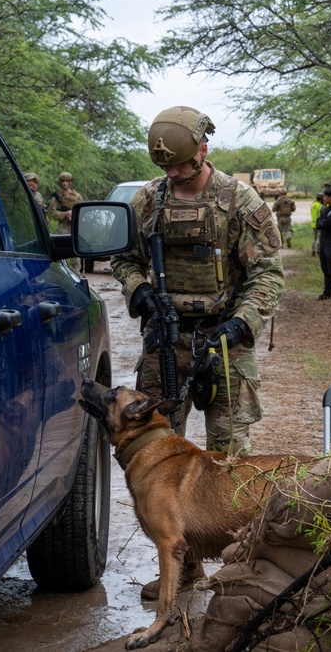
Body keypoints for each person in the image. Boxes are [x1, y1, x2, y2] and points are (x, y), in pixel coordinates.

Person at [110, 105, 283, 457]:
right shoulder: (146, 200)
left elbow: (267, 272)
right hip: (164, 340)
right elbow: (125, 259)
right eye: (164, 167)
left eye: (180, 165)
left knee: (230, 457)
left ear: (202, 151)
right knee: (156, 454)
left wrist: (241, 323)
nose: (172, 173)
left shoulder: (239, 200)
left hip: (224, 341)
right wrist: (138, 289)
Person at [47, 171, 83, 271]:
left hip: (74, 227)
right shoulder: (57, 197)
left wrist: (73, 214)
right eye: (62, 181)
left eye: (67, 181)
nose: (64, 183)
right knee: (60, 255)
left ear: (70, 182)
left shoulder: (77, 196)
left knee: (76, 255)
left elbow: (82, 211)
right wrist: (65, 214)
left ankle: (76, 276)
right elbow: (53, 212)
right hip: (62, 228)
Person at [310, 192, 323, 257]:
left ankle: (313, 250)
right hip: (319, 224)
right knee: (319, 238)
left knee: (314, 238)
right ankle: (318, 250)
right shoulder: (321, 206)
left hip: (313, 224)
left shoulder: (313, 205)